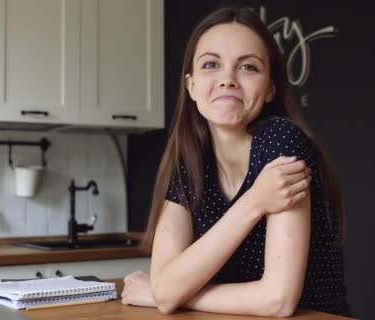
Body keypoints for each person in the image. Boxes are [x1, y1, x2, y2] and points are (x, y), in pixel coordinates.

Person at [121, 6, 351, 317]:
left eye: (248, 67)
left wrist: (175, 295)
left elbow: (278, 300)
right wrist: (254, 202)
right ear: (191, 86)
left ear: (270, 88)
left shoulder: (281, 141)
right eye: (211, 64)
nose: (227, 79)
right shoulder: (190, 160)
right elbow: (165, 289)